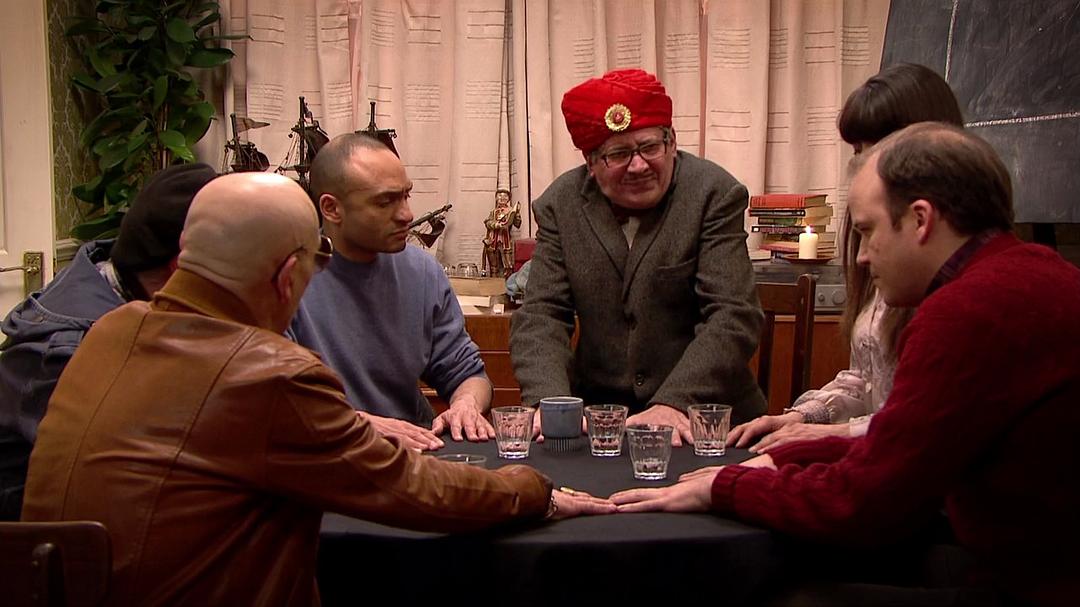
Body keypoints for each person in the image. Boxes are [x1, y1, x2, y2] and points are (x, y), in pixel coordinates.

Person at [21, 172, 613, 606]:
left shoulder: (108, 330)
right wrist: (532, 488)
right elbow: (413, 489)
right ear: (287, 276)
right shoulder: (265, 371)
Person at [612, 122, 1080, 606]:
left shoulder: (968, 311)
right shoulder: (1030, 272)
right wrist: (786, 457)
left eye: (867, 231)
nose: (861, 258)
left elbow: (862, 504)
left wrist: (727, 487)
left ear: (920, 220)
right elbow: (903, 450)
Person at [510, 68, 765, 445]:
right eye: (619, 154)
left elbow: (733, 315)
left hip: (707, 421)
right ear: (591, 163)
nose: (640, 165)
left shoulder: (714, 193)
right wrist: (550, 403)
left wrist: (673, 403)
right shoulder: (560, 205)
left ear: (672, 142)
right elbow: (542, 315)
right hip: (598, 423)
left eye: (650, 147)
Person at [729, 63, 964, 453]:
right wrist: (803, 417)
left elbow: (928, 423)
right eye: (857, 151)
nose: (863, 165)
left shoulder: (951, 272)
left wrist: (834, 435)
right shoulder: (881, 244)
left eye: (878, 148)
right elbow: (865, 378)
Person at [0, 162, 217, 520]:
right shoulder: (71, 352)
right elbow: (124, 483)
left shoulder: (123, 284)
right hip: (39, 541)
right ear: (181, 267)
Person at [290, 134, 493, 451]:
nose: (407, 215)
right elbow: (272, 402)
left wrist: (466, 404)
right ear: (331, 208)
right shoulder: (287, 280)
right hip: (327, 455)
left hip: (416, 454)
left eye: (406, 196)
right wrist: (357, 424)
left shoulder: (422, 271)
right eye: (385, 202)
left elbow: (468, 373)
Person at [482, 188, 521, 277]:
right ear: (496, 198)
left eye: (505, 196)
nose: (502, 198)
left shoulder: (511, 211)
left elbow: (517, 224)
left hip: (506, 242)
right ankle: (494, 282)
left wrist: (517, 214)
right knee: (494, 266)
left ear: (508, 199)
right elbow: (487, 222)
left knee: (508, 266)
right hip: (493, 242)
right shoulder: (493, 212)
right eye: (500, 195)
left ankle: (507, 282)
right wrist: (496, 224)